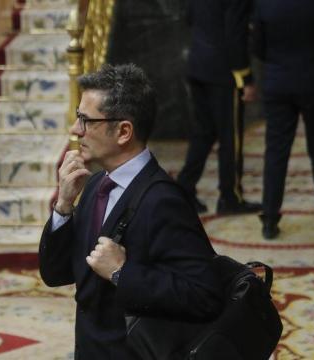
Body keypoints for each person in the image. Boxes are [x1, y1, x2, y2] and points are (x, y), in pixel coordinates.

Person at [39, 64, 222, 359]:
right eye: (77, 118)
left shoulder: (163, 200)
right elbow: (55, 273)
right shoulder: (96, 183)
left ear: (124, 131)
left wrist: (124, 273)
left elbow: (205, 296)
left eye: (86, 120)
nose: (75, 130)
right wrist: (63, 206)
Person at [252, 0, 314, 239]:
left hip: (278, 82)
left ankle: (270, 218)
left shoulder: (263, 4)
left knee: (275, 151)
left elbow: (257, 48)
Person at [178, 0, 261, 215]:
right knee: (230, 138)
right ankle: (230, 198)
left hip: (198, 64)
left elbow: (188, 16)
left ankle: (184, 191)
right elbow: (235, 32)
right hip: (224, 72)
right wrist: (245, 77)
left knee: (203, 133)